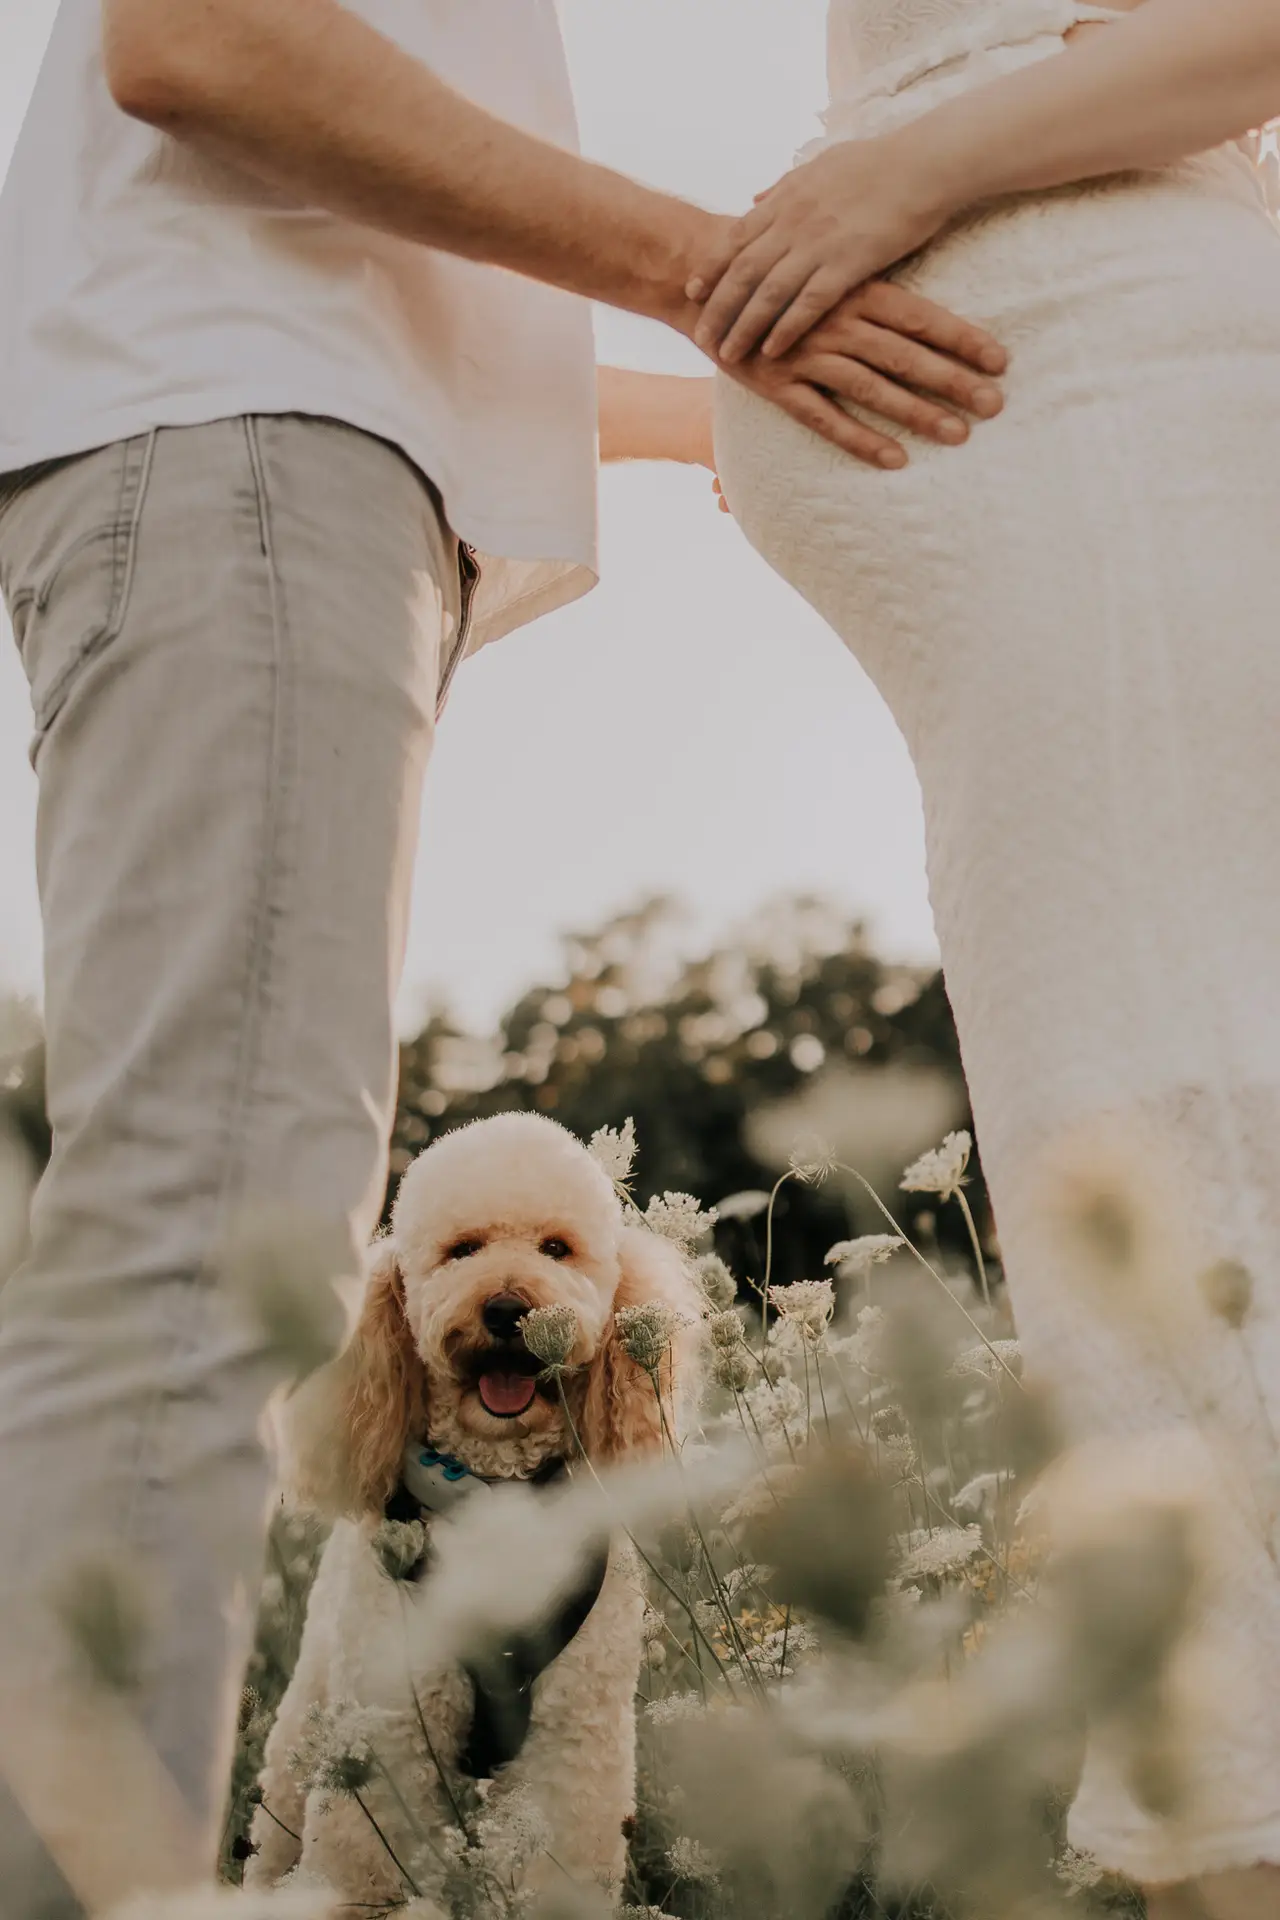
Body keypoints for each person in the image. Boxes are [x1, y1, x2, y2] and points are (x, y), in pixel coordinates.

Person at [0, 1, 1011, 1913]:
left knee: (223, 1228)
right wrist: (726, 279)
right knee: (207, 1242)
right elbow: (203, 39)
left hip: (278, 457)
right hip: (245, 443)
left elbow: (422, 294)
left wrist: (713, 401)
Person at [635, 2, 1280, 1915]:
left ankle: (1224, 1814)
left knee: (1190, 1111)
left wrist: (891, 184)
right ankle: (1217, 1806)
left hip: (1104, 349)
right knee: (1122, 1123)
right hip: (1002, 396)